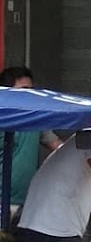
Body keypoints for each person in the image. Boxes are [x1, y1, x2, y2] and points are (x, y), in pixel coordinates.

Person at [0, 66, 61, 217]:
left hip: (27, 202)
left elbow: (58, 146)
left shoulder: (36, 120)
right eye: (24, 90)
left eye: (31, 90)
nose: (30, 95)